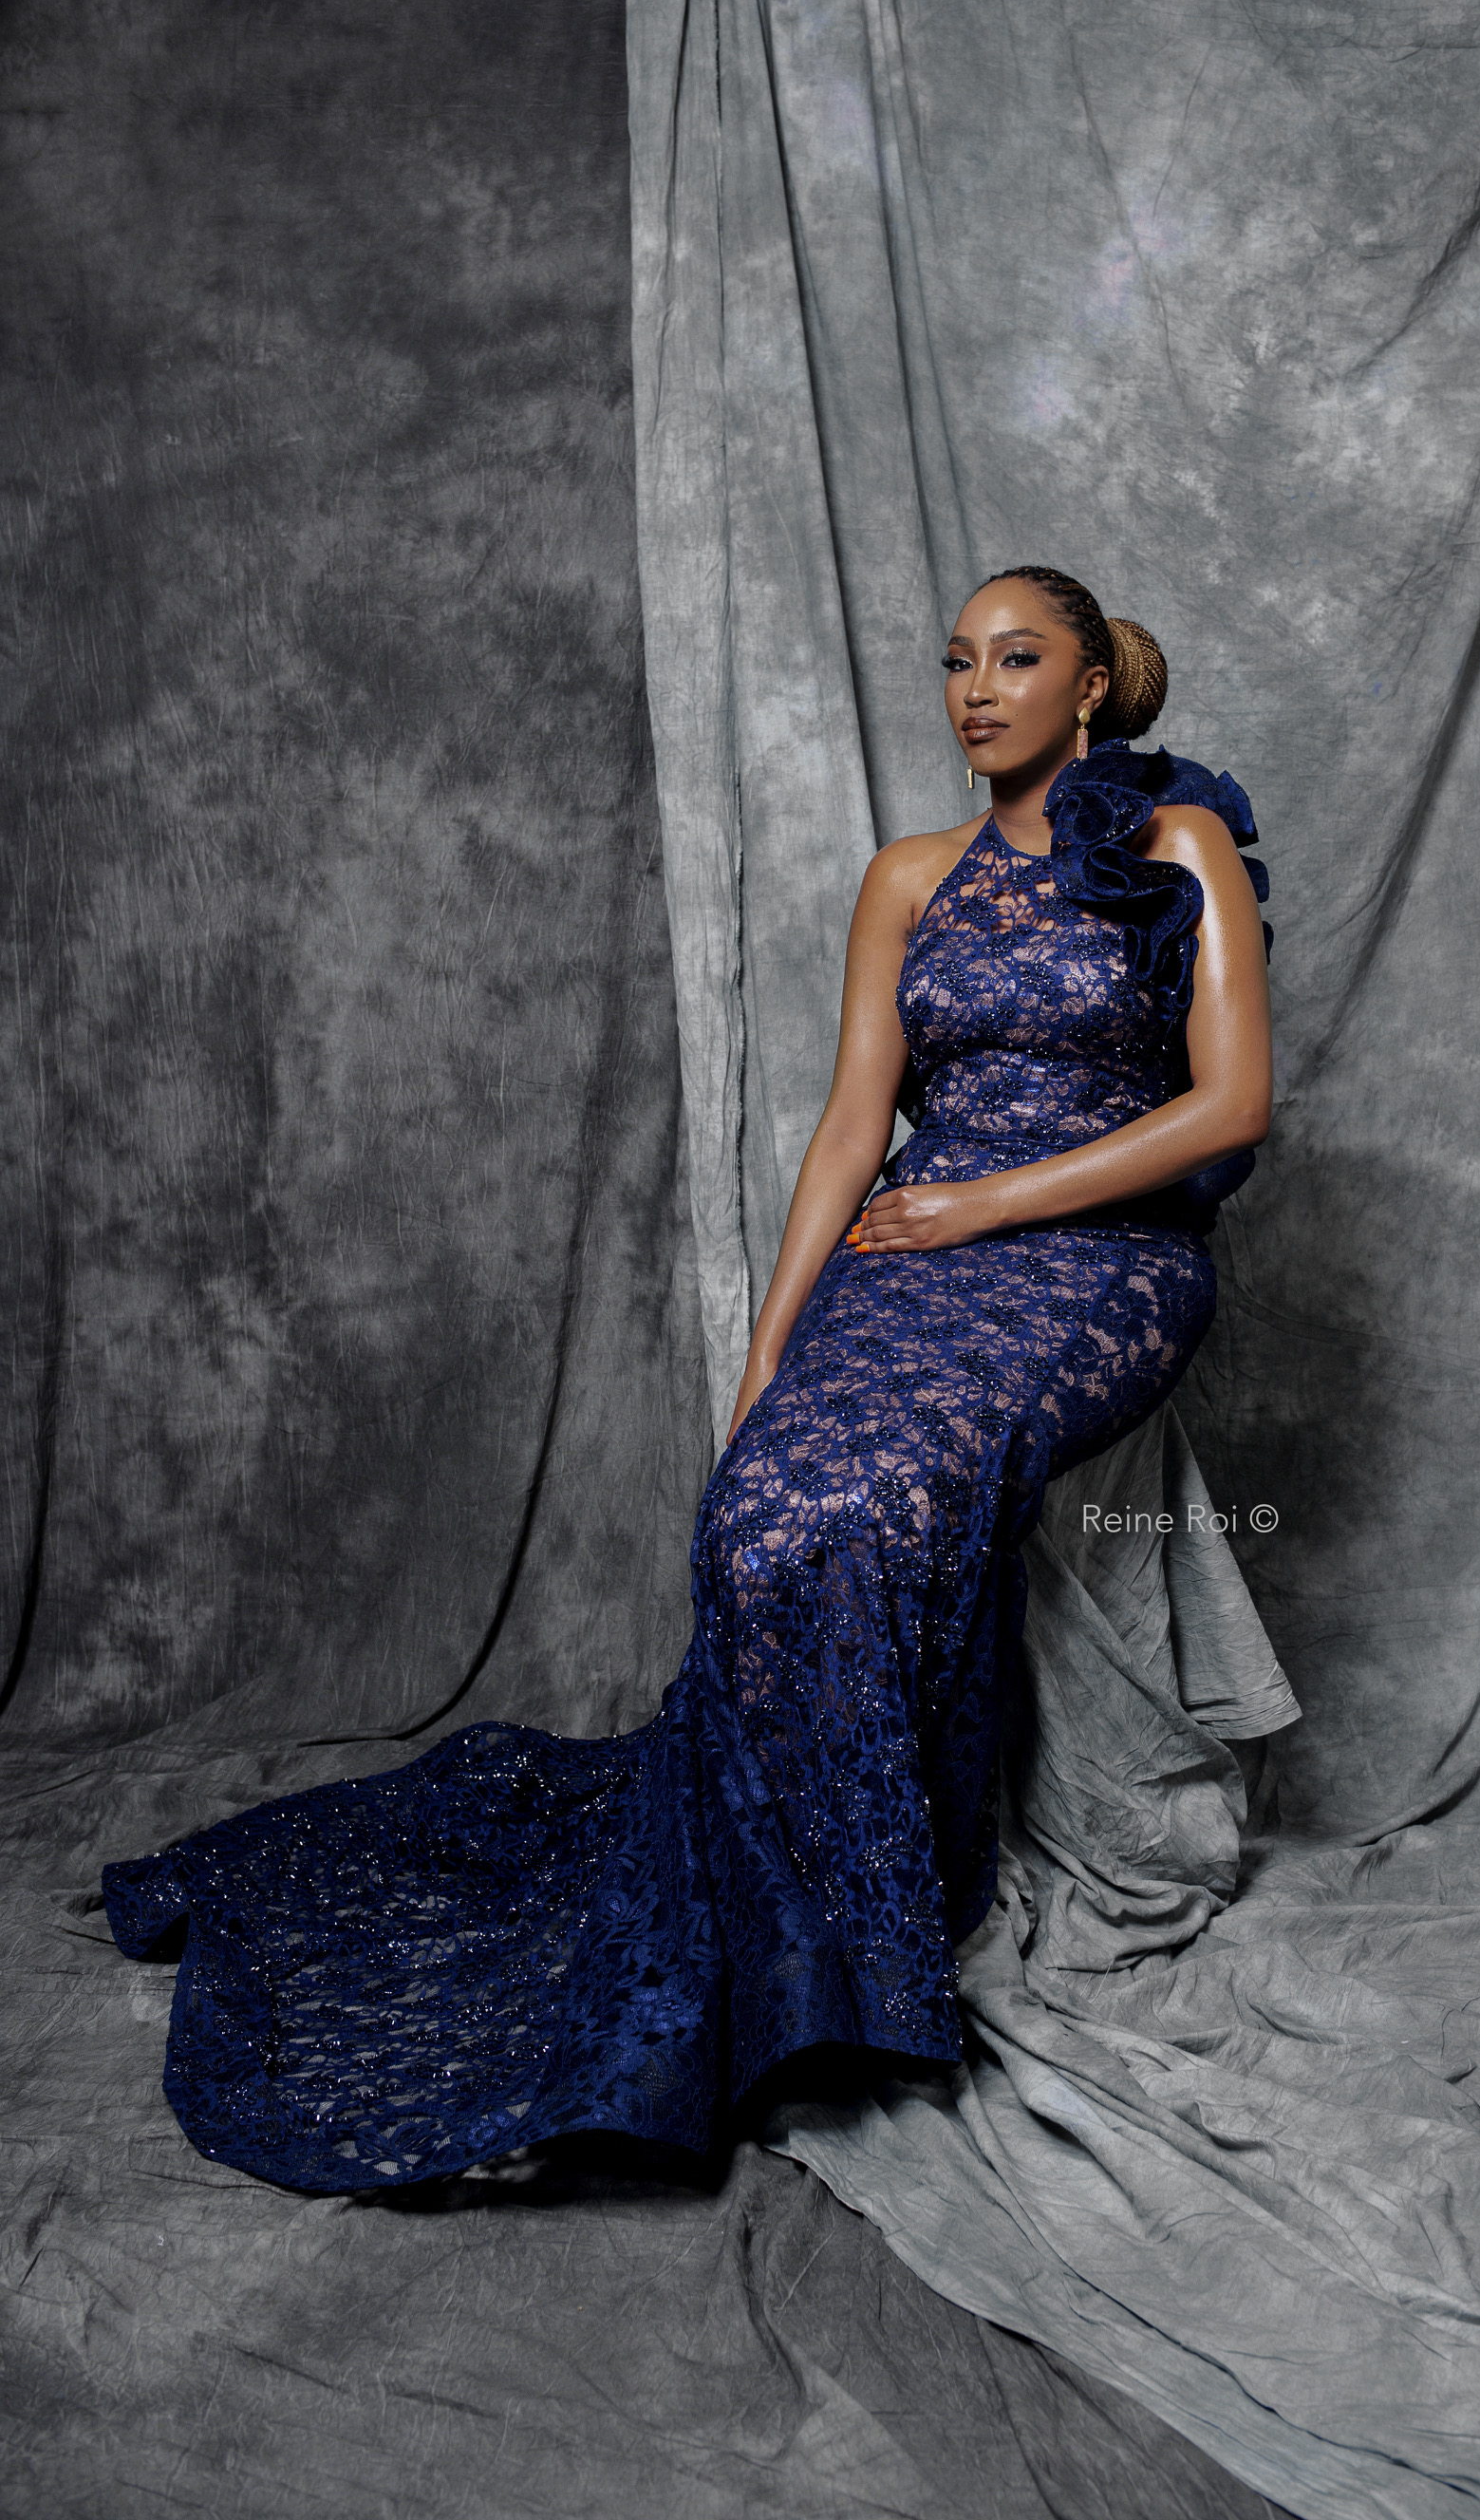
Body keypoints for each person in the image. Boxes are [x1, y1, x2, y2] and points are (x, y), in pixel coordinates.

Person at [102, 566, 1274, 2193]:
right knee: (764, 1515)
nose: (975, 689)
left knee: (898, 1498)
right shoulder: (908, 876)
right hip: (910, 1243)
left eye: (1017, 660)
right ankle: (786, 1937)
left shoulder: (1177, 844)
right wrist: (772, 1349)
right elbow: (853, 1128)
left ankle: (870, 1958)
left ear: (1089, 688)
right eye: (957, 661)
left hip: (1103, 1261)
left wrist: (988, 1203)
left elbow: (1232, 1107)